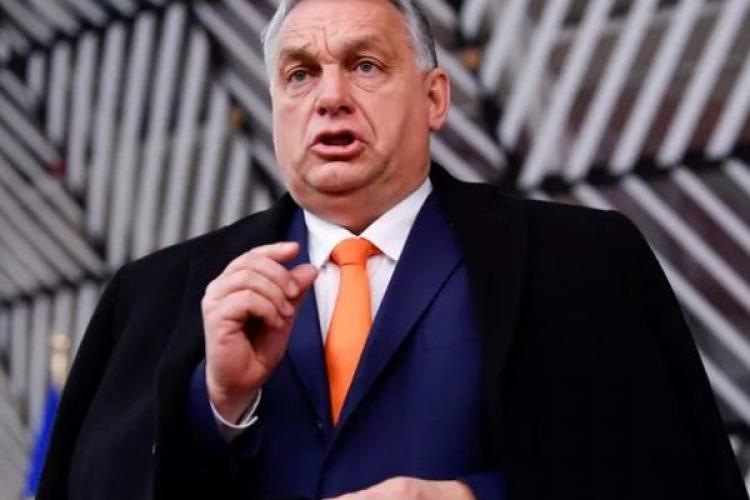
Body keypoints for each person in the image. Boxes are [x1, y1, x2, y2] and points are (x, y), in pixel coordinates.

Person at [39, 0, 748, 499]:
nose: (330, 97)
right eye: (299, 74)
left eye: (366, 65)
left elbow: (669, 474)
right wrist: (216, 404)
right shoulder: (154, 297)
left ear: (435, 97)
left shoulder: (583, 262)